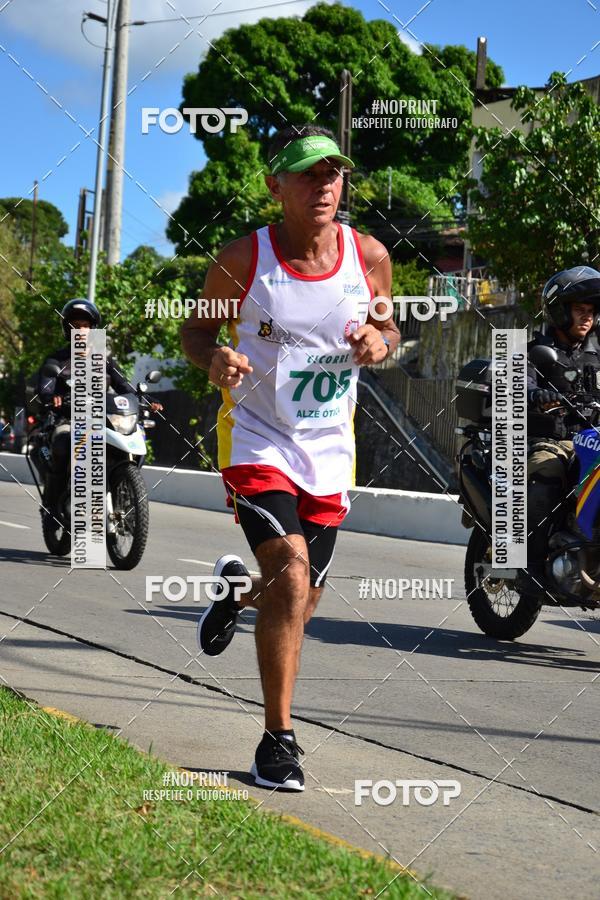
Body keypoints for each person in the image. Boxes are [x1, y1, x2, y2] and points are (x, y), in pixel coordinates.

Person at [181, 124, 400, 791]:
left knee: (299, 596)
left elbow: (391, 324)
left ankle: (235, 596)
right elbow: (195, 332)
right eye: (308, 173)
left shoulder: (369, 257)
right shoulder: (244, 259)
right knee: (294, 571)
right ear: (276, 184)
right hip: (256, 437)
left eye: (334, 173)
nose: (324, 185)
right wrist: (214, 357)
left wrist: (379, 339)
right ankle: (278, 741)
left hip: (329, 449)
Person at [37, 298, 161, 519]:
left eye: (85, 326)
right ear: (68, 329)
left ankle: (119, 485)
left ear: (93, 329)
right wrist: (52, 397)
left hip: (101, 420)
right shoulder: (56, 360)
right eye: (75, 326)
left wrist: (146, 399)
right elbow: (45, 388)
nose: (81, 331)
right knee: (63, 443)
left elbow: (125, 387)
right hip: (68, 420)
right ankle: (52, 506)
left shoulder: (104, 360)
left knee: (133, 435)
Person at [525, 266, 600, 595]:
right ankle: (529, 564)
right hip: (549, 441)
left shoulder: (596, 356)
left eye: (591, 312)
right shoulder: (534, 352)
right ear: (559, 310)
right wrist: (534, 394)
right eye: (579, 310)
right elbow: (515, 384)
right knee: (550, 473)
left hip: (591, 441)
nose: (587, 318)